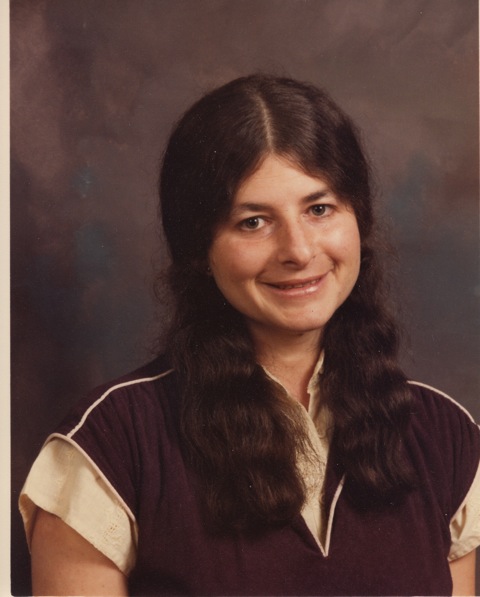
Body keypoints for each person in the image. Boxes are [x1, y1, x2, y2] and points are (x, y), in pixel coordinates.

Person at [20, 74, 480, 596]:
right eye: (254, 222)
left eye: (320, 209)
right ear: (198, 250)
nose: (299, 251)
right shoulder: (110, 448)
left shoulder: (446, 437)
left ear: (359, 221)